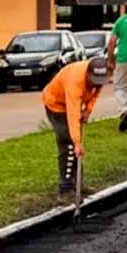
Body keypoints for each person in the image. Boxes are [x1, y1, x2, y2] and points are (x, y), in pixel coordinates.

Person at [41, 58, 110, 198]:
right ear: (88, 74)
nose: (96, 84)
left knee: (76, 146)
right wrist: (77, 142)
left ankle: (78, 183)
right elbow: (73, 114)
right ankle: (66, 187)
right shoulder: (75, 82)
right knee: (68, 142)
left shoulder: (99, 76)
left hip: (73, 104)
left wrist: (88, 109)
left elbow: (96, 91)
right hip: (56, 105)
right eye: (94, 81)